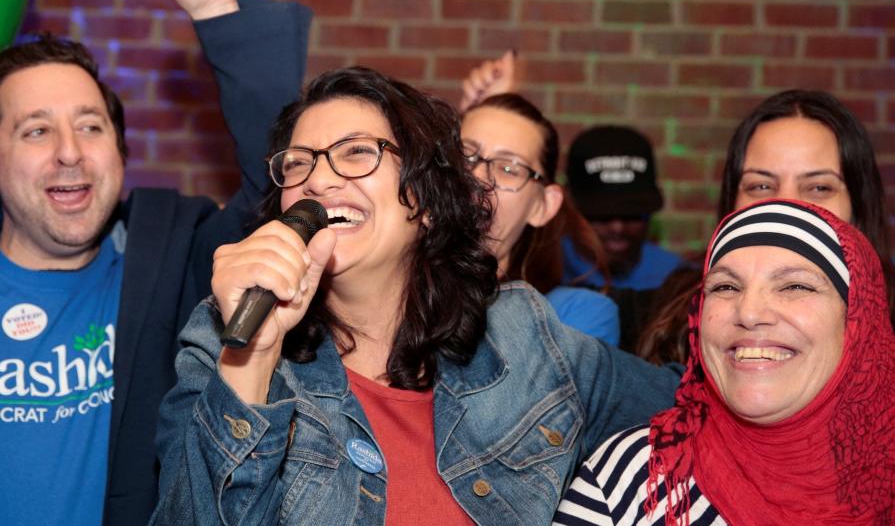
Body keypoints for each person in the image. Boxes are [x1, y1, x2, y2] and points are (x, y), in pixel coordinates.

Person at [150, 67, 681, 525]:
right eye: (298, 162)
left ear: (425, 200)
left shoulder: (525, 336)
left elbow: (694, 411)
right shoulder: (219, 340)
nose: (320, 179)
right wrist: (253, 359)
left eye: (357, 152)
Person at [0, 0, 310, 524]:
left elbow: (283, 182)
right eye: (35, 130)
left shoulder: (171, 259)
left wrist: (217, 10)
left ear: (120, 151)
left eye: (90, 126)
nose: (69, 152)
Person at [554, 198, 895, 525]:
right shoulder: (633, 478)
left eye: (794, 286)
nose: (748, 312)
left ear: (858, 324)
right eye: (726, 287)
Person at [637, 89, 895, 365]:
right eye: (761, 186)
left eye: (819, 187)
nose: (786, 206)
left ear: (858, 205)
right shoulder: (675, 306)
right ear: (731, 202)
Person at [460, 92, 620, 345]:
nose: (478, 177)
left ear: (544, 206)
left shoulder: (572, 315)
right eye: (465, 155)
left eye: (509, 169)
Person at [563, 124, 683, 291]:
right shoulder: (544, 274)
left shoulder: (675, 279)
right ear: (568, 204)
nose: (617, 227)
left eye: (632, 214)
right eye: (601, 214)